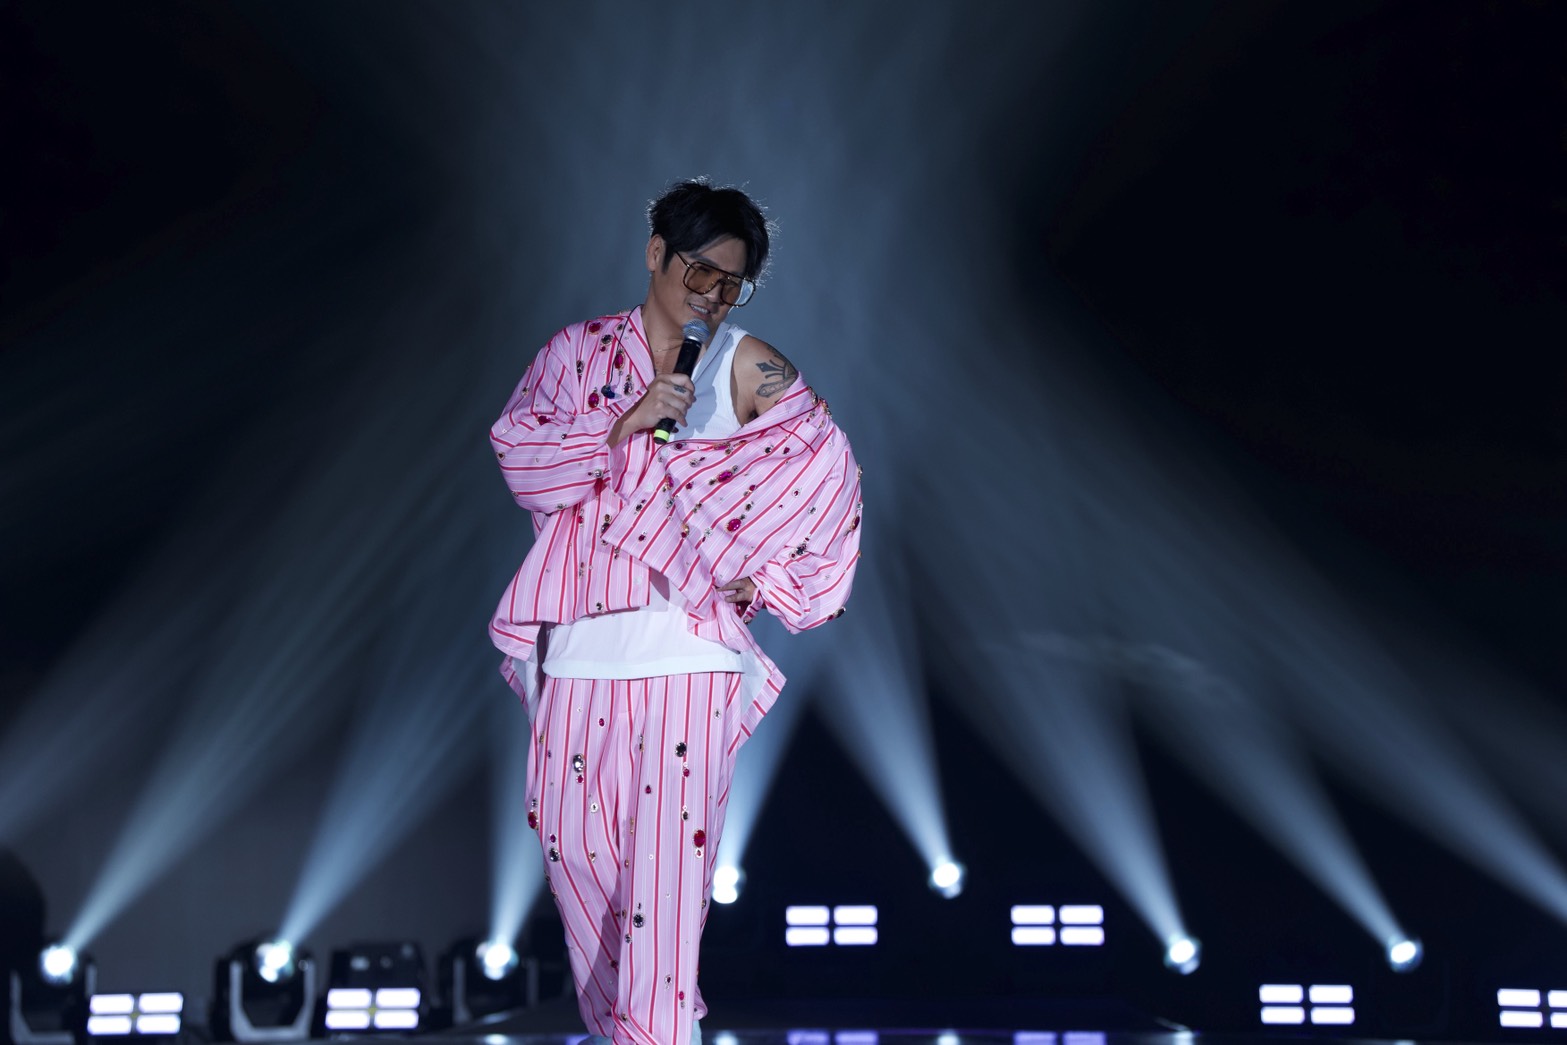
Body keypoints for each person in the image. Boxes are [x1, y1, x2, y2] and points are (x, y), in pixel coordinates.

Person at [487, 179, 862, 1044]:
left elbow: (829, 471)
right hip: (577, 650)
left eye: (731, 283)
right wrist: (622, 425)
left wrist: (766, 581)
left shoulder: (746, 364)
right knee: (577, 863)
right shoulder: (575, 352)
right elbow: (519, 455)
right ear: (656, 253)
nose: (712, 295)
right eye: (700, 272)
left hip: (689, 657)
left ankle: (657, 1031)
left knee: (663, 895)